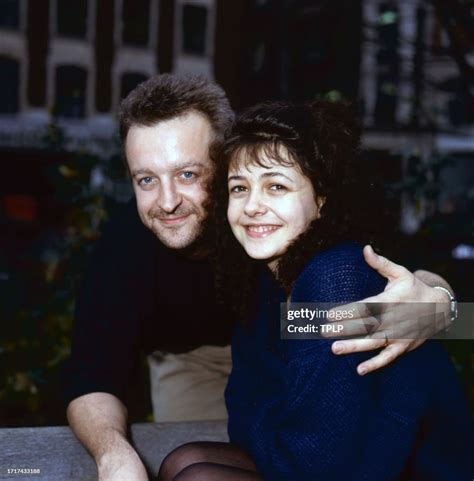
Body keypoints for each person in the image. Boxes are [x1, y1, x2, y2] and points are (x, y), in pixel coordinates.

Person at [63, 75, 458, 481]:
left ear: (227, 160)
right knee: (182, 460)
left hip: (301, 349)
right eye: (146, 179)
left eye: (187, 175)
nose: (167, 202)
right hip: (207, 355)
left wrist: (437, 304)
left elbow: (406, 285)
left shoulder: (297, 242)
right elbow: (91, 373)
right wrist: (114, 457)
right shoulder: (130, 245)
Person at [158, 101, 473, 481]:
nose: (252, 206)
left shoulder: (336, 277)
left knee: (198, 477)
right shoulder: (267, 279)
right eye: (239, 188)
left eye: (276, 186)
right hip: (318, 462)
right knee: (182, 460)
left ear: (320, 200)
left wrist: (442, 303)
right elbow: (241, 409)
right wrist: (275, 422)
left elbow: (320, 464)